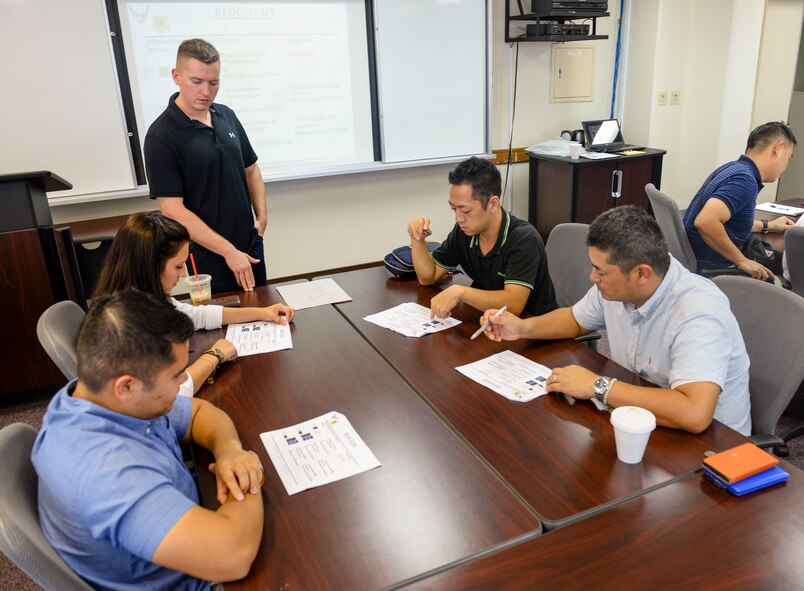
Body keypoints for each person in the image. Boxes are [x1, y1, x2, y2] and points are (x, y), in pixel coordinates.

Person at [32, 290, 264, 590]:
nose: (184, 382)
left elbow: (197, 413)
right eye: (176, 375)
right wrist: (247, 475)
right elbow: (233, 556)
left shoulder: (97, 395)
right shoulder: (106, 472)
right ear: (126, 386)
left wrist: (230, 450)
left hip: (187, 525)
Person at [479, 205, 751, 435]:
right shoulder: (622, 285)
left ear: (641, 274)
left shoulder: (698, 311)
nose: (592, 278)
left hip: (715, 447)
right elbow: (575, 319)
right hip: (642, 417)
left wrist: (597, 386)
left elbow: (694, 414)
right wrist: (523, 327)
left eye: (600, 271)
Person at [94, 212, 294, 396]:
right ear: (150, 265)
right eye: (179, 266)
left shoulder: (142, 296)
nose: (183, 274)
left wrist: (262, 313)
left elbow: (196, 315)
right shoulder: (126, 324)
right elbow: (174, 394)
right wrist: (215, 355)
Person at [144, 38, 267, 293]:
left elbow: (251, 168)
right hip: (207, 256)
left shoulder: (226, 115)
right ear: (176, 76)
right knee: (220, 325)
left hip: (249, 244)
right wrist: (229, 252)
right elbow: (172, 210)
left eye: (214, 83)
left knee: (263, 313)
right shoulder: (161, 135)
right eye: (197, 82)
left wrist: (262, 216)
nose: (206, 92)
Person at [407, 156, 557, 318]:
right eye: (453, 209)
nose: (458, 218)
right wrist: (417, 239)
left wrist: (460, 292)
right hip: (491, 323)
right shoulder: (464, 231)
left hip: (535, 328)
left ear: (492, 204)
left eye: (466, 211)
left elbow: (514, 304)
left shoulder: (523, 239)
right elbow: (428, 277)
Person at [683, 121, 797, 280]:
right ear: (778, 148)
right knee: (777, 279)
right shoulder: (745, 180)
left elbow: (729, 223)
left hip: (695, 260)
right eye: (788, 157)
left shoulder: (732, 168)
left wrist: (769, 225)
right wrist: (741, 260)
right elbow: (706, 221)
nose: (786, 166)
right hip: (711, 268)